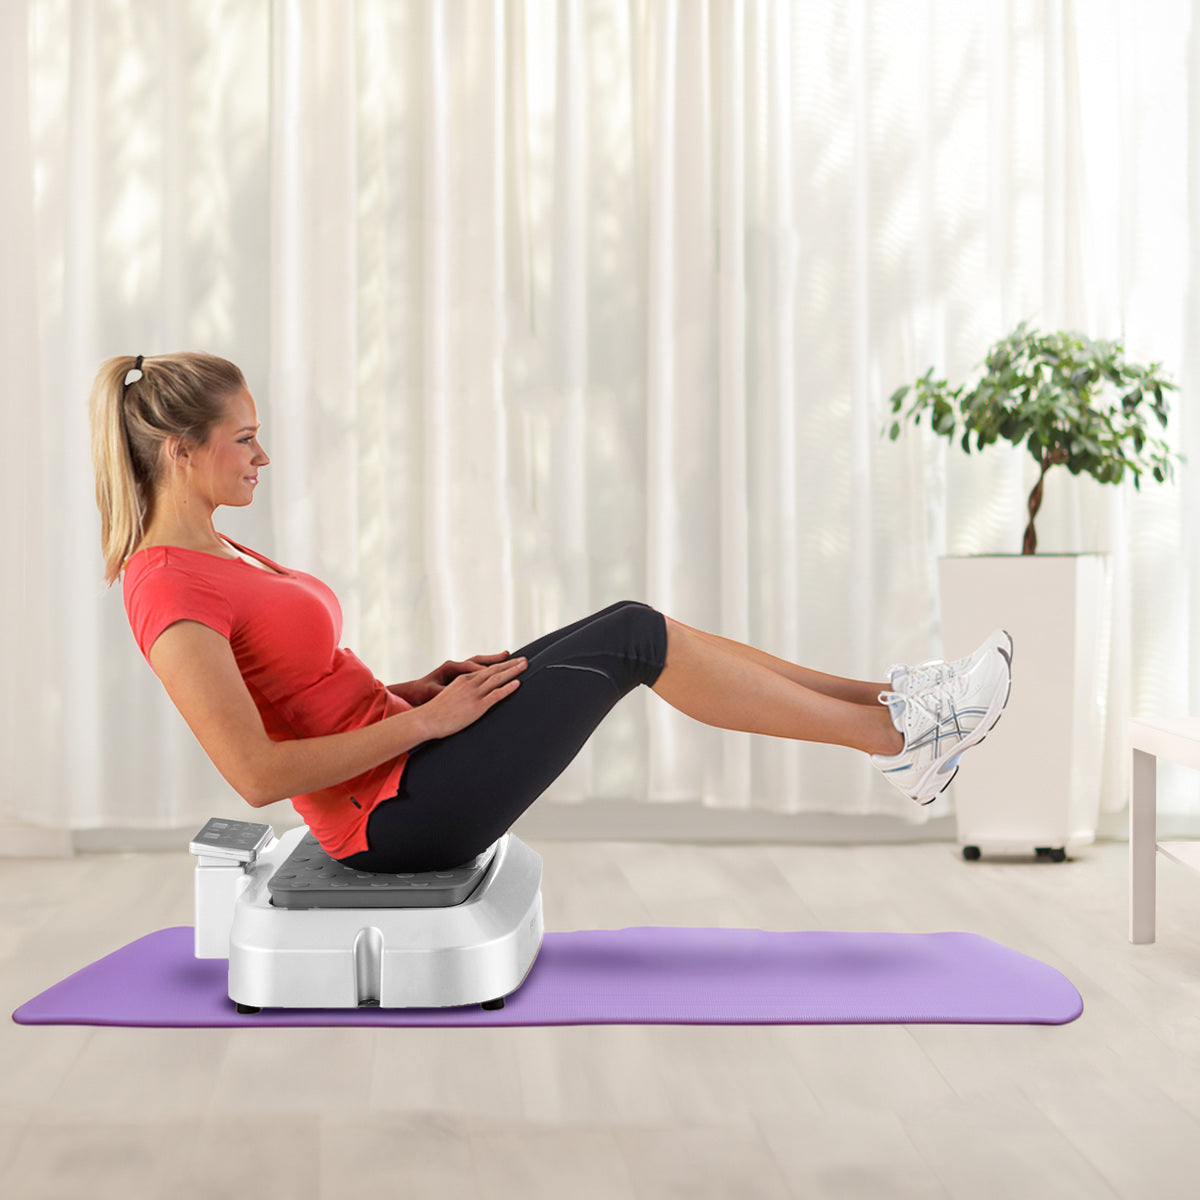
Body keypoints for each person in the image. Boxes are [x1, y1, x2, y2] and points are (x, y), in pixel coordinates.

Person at [89, 352, 1012, 873]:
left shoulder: (221, 547)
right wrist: (433, 721)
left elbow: (304, 687)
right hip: (392, 816)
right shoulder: (166, 586)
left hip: (406, 755)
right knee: (636, 638)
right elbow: (253, 771)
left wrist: (421, 689)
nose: (263, 455)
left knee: (632, 618)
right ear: (178, 451)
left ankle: (901, 706)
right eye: (244, 438)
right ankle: (898, 743)